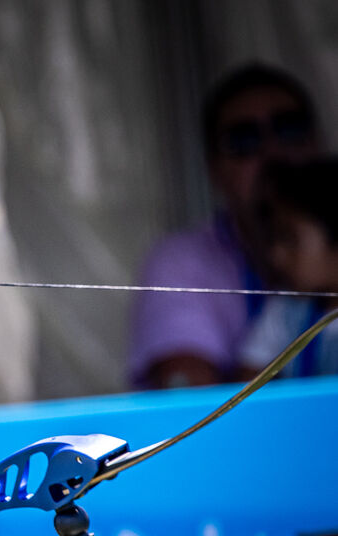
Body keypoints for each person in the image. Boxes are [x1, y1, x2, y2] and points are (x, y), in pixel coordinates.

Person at [129, 63, 323, 389]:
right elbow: (189, 403)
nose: (272, 152)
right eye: (244, 140)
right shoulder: (181, 260)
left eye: (289, 129)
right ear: (214, 168)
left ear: (319, 142)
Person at [236, 159, 338, 378]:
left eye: (290, 239)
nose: (276, 255)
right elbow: (246, 385)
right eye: (275, 238)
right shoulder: (285, 311)